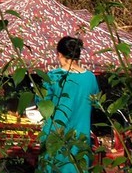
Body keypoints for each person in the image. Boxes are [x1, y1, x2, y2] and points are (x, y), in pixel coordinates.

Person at [37, 36, 99, 173]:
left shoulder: (53, 76)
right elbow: (96, 104)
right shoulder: (91, 78)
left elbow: (42, 105)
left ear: (59, 54)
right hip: (80, 139)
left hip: (54, 135)